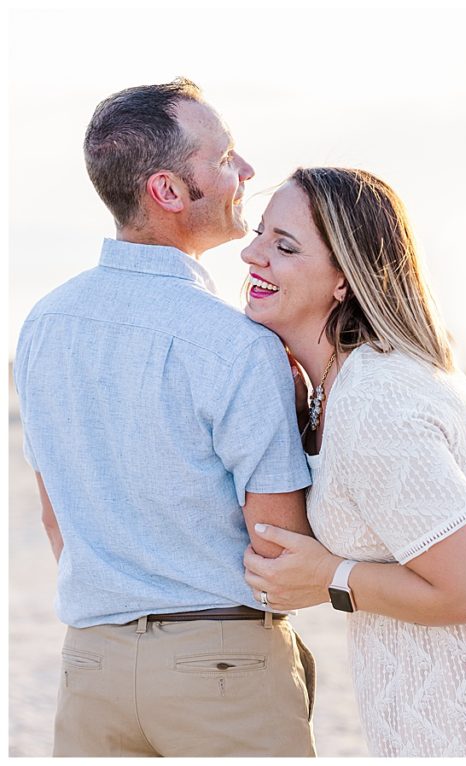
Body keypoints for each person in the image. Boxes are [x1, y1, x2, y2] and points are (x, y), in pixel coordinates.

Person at [14, 78, 317, 757]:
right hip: (221, 667)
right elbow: (279, 548)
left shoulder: (41, 326)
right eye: (226, 156)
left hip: (89, 666)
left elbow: (54, 517)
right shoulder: (238, 345)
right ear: (169, 192)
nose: (247, 171)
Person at [238, 167, 466, 757]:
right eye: (259, 233)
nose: (250, 253)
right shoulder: (344, 385)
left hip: (465, 727)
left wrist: (329, 578)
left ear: (343, 280)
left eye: (283, 246)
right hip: (427, 713)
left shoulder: (378, 401)